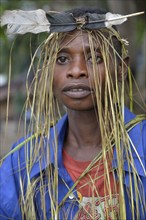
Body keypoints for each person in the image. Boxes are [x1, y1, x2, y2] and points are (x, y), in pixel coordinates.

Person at [0, 7, 146, 220]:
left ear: (121, 69)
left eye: (95, 58)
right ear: (48, 70)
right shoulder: (21, 162)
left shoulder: (141, 143)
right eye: (62, 59)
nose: (76, 70)